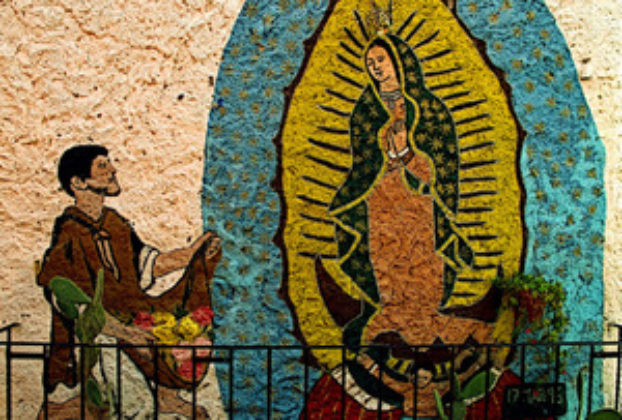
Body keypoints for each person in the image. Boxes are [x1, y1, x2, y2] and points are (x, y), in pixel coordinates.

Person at [311, 34, 498, 417]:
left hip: (419, 206)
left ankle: (428, 316)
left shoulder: (429, 109)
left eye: (381, 59)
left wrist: (409, 155)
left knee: (421, 258)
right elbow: (363, 161)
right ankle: (391, 310)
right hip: (379, 202)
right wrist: (383, 162)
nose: (375, 67)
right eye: (370, 62)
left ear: (400, 62)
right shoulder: (367, 109)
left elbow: (444, 169)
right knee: (385, 259)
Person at [37, 144, 223, 419]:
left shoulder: (116, 225)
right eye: (102, 166)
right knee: (136, 408)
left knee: (175, 322)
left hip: (126, 320)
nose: (112, 170)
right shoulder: (70, 233)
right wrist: (128, 334)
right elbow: (72, 305)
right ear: (78, 182)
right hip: (98, 335)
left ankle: (166, 396)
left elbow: (149, 264)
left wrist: (192, 254)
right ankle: (60, 411)